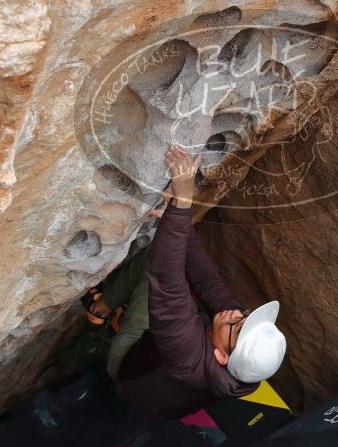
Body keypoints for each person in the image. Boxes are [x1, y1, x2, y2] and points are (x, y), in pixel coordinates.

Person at [83, 144, 287, 418]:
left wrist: (182, 201)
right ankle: (125, 314)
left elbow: (166, 280)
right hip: (162, 384)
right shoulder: (243, 364)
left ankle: (100, 309)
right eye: (248, 317)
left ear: (222, 358)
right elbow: (207, 280)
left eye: (238, 327)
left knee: (151, 264)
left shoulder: (187, 356)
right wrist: (177, 218)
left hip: (130, 369)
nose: (237, 314)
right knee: (182, 285)